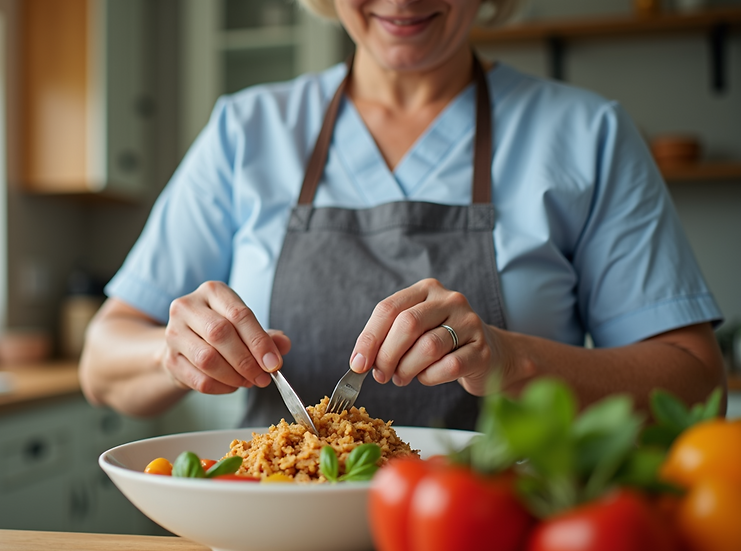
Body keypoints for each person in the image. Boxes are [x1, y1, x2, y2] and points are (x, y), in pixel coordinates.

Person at [79, 0, 725, 430]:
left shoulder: (588, 135)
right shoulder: (245, 131)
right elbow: (100, 362)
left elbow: (697, 383)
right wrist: (174, 351)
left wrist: (513, 359)